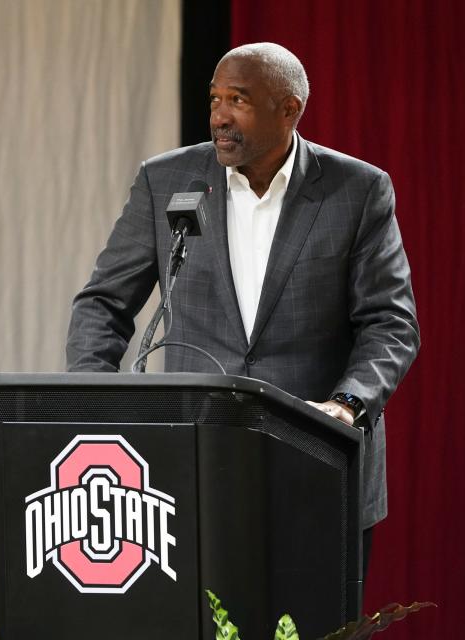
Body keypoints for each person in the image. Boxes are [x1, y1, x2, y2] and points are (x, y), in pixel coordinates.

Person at [66, 43, 419, 572]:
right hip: (191, 465)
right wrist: (95, 399)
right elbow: (103, 302)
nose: (219, 117)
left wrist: (347, 406)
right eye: (214, 100)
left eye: (239, 100)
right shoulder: (167, 181)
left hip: (318, 464)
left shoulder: (358, 190)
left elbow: (390, 323)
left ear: (289, 109)